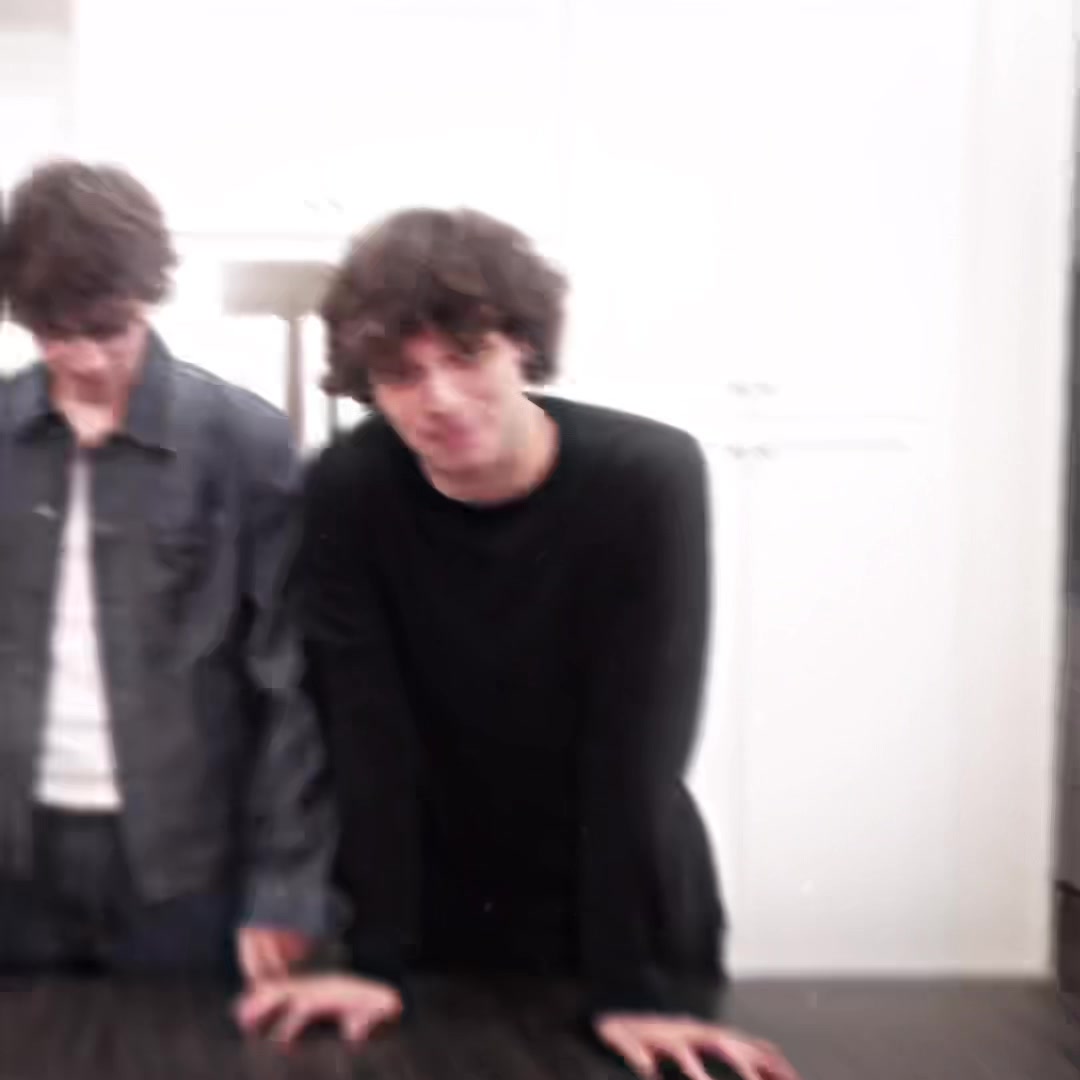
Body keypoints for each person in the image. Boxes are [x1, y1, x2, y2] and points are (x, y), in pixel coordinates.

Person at [236, 208, 797, 1080]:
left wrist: (629, 987)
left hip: (625, 905)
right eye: (402, 374)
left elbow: (637, 748)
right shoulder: (350, 487)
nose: (440, 398)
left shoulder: (645, 477)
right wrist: (377, 961)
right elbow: (369, 738)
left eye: (467, 357)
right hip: (433, 912)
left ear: (522, 347)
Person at [0, 161, 332, 982]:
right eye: (54, 333)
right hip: (17, 855)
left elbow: (287, 677)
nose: (83, 358)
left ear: (147, 296)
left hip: (183, 864)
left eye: (106, 329)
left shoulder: (242, 442)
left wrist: (286, 886)